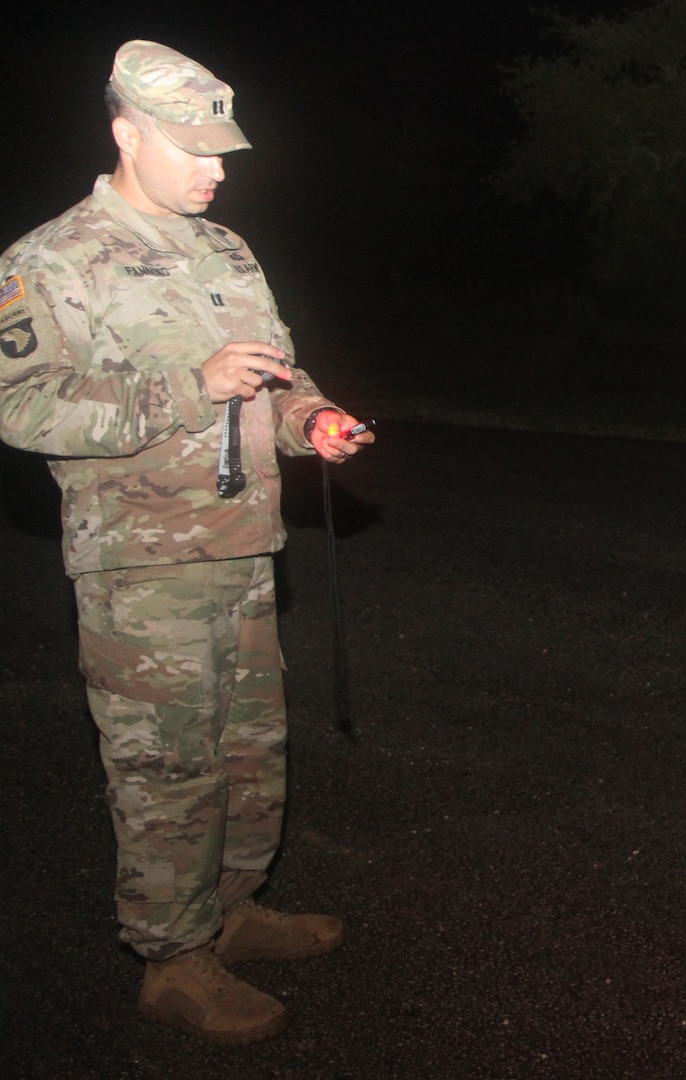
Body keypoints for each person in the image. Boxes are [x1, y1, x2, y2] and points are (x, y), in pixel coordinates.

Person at [0, 40, 373, 1045]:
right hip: (141, 564)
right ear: (127, 134)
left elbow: (278, 378)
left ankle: (232, 910)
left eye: (225, 152)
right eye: (194, 149)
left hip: (245, 546)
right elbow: (22, 407)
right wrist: (183, 387)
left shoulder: (226, 253)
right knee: (168, 765)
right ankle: (172, 959)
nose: (218, 170)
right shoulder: (51, 258)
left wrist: (314, 423)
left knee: (249, 749)